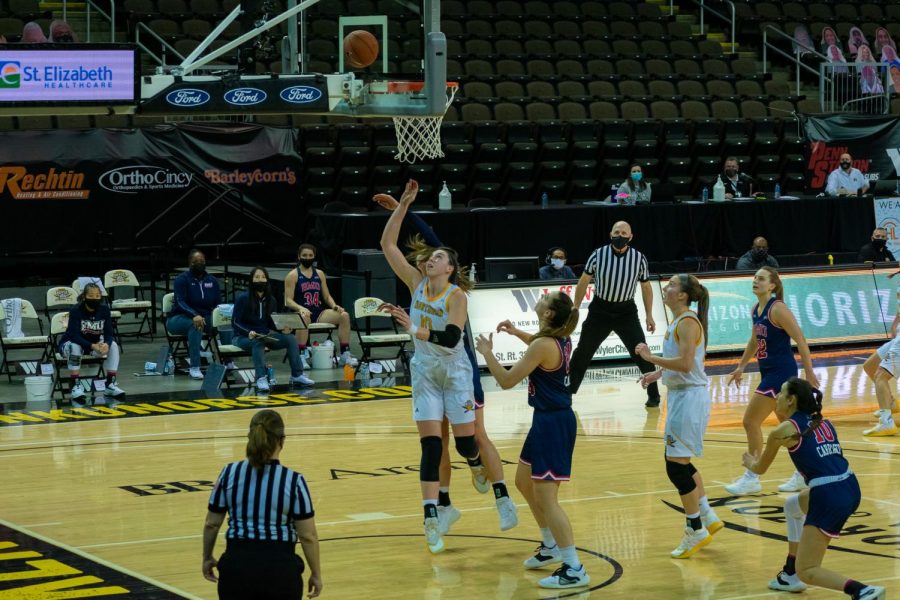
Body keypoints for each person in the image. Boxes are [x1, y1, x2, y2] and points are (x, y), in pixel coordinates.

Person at [371, 189, 517, 534]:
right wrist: (403, 206)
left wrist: (414, 328)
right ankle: (441, 508)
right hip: (425, 371)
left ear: (450, 267)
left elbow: (451, 337)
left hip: (455, 368)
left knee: (472, 440)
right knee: (434, 444)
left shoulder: (456, 295)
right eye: (429, 257)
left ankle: (493, 486)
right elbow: (387, 245)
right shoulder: (416, 282)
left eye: (437, 257)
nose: (429, 259)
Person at [475, 291, 590, 589]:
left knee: (547, 500)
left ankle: (574, 567)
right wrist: (516, 333)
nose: (540, 299)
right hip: (546, 421)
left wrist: (487, 352)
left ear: (549, 313)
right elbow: (537, 346)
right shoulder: (558, 337)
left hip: (553, 424)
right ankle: (551, 545)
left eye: (545, 299)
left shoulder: (543, 344)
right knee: (523, 482)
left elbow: (506, 381)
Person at [742, 378, 884, 600]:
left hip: (829, 494)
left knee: (807, 570)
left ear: (791, 400)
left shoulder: (782, 431)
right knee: (792, 507)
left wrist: (749, 461)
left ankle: (862, 591)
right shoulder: (824, 422)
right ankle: (789, 574)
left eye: (781, 393)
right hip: (849, 484)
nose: (776, 397)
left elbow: (760, 469)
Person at [635, 274, 723, 559]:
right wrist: (658, 373)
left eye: (672, 285)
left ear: (683, 295)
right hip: (683, 396)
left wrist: (651, 358)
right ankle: (707, 516)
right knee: (680, 462)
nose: (666, 288)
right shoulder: (680, 321)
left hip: (689, 398)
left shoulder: (687, 322)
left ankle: (695, 527)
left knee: (676, 466)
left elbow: (686, 364)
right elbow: (686, 361)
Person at [203, 409, 323, 599]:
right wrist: (316, 573)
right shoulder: (294, 481)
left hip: (237, 570)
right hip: (280, 572)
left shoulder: (228, 472)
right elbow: (308, 535)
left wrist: (207, 557)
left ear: (249, 437)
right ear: (282, 440)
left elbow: (212, 523)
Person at [725, 267, 819, 495]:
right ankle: (805, 472)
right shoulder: (756, 309)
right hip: (768, 372)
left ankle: (752, 476)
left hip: (781, 374)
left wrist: (809, 372)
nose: (756, 281)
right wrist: (741, 366)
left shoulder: (778, 309)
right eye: (755, 277)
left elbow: (801, 340)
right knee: (789, 429)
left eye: (761, 278)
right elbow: (755, 340)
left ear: (772, 285)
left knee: (750, 421)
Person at [568, 221, 660, 407]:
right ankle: (567, 393)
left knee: (641, 351)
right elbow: (584, 280)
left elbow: (646, 287)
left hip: (626, 312)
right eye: (617, 232)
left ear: (631, 237)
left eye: (624, 232)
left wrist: (649, 315)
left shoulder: (639, 258)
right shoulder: (598, 254)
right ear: (610, 235)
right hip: (600, 310)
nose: (620, 235)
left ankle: (654, 395)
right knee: (582, 352)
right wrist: (576, 307)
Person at [232, 267, 314, 392]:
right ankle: (261, 378)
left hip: (265, 335)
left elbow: (271, 323)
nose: (260, 280)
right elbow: (235, 322)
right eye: (257, 277)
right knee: (258, 342)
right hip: (242, 337)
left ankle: (297, 375)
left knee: (290, 339)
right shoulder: (243, 298)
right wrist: (248, 332)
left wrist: (283, 329)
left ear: (267, 280)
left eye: (263, 277)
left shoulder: (272, 300)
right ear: (251, 280)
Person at [284, 243, 357, 368]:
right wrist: (301, 308)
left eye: (310, 255)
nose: (307, 258)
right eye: (304, 255)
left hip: (317, 312)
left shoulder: (319, 274)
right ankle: (301, 355)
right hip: (300, 313)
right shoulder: (293, 275)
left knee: (344, 315)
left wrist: (335, 306)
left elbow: (327, 296)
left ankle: (345, 354)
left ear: (314, 257)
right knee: (304, 317)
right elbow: (287, 300)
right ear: (299, 257)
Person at [58, 282, 125, 406]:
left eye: (97, 296)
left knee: (114, 345)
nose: (95, 299)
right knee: (75, 346)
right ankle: (75, 385)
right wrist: (92, 346)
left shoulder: (104, 309)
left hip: (92, 344)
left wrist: (106, 344)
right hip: (70, 344)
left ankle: (110, 384)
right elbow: (74, 336)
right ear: (84, 297)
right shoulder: (76, 310)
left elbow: (109, 334)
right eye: (91, 296)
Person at [167, 250, 221, 380]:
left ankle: (228, 362)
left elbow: (218, 303)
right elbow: (180, 302)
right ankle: (195, 367)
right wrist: (194, 315)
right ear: (190, 263)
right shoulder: (182, 279)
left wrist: (221, 314)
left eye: (203, 262)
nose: (200, 264)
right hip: (178, 318)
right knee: (196, 324)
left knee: (223, 321)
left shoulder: (212, 281)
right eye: (197, 262)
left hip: (205, 317)